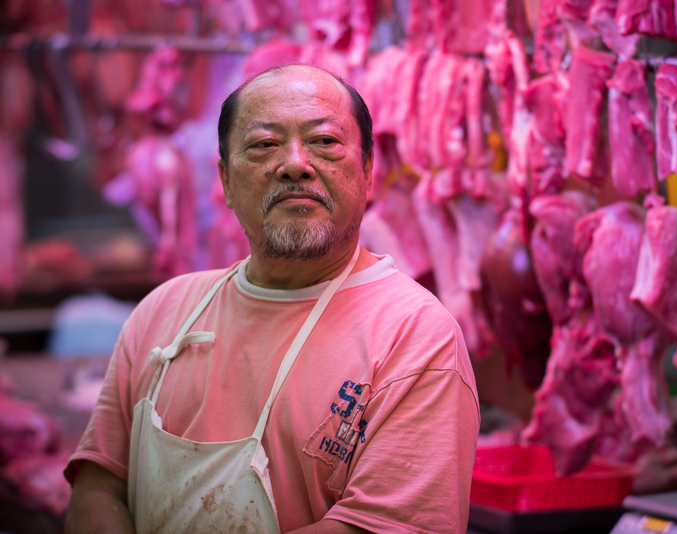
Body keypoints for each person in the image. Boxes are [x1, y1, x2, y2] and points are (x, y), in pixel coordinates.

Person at [64, 64, 481, 533]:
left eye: (325, 142)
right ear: (224, 180)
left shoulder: (415, 335)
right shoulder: (163, 311)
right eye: (265, 144)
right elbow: (97, 487)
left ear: (366, 170)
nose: (295, 163)